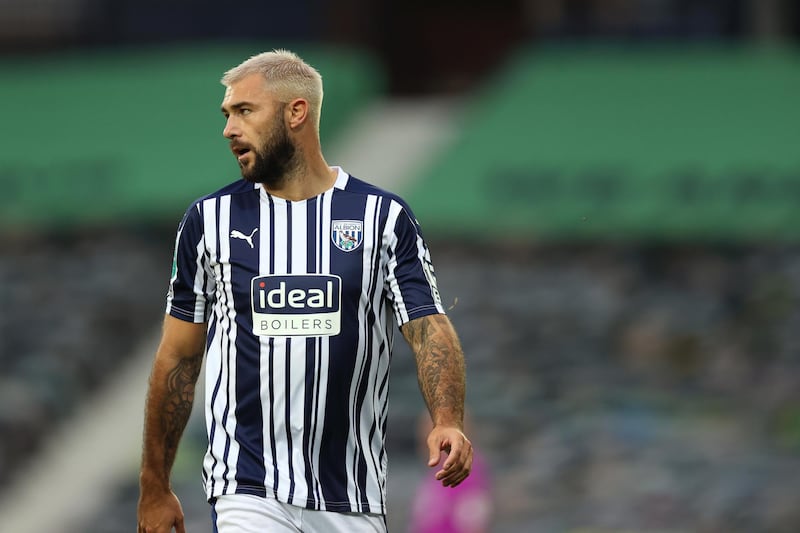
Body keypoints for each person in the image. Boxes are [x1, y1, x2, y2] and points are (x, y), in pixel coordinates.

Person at [137, 49, 472, 533]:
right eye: (227, 115)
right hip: (248, 489)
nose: (229, 129)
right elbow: (177, 359)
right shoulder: (209, 221)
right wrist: (154, 485)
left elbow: (427, 327)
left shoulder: (382, 218)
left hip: (351, 494)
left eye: (244, 111)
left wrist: (447, 418)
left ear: (297, 112)